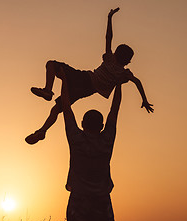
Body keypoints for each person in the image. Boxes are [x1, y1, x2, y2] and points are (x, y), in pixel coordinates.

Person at [25, 8, 153, 145]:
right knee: (58, 108)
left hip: (84, 78)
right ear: (127, 61)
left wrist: (109, 18)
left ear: (116, 54)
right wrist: (144, 100)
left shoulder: (110, 59)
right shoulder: (124, 74)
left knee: (51, 64)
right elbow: (138, 82)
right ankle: (42, 130)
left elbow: (108, 37)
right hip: (86, 91)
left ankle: (48, 91)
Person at [61, 72, 123, 221]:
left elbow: (66, 108)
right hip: (102, 201)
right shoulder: (107, 140)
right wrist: (118, 83)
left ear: (82, 124)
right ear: (102, 125)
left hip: (78, 201)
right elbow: (114, 109)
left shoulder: (76, 139)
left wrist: (65, 80)